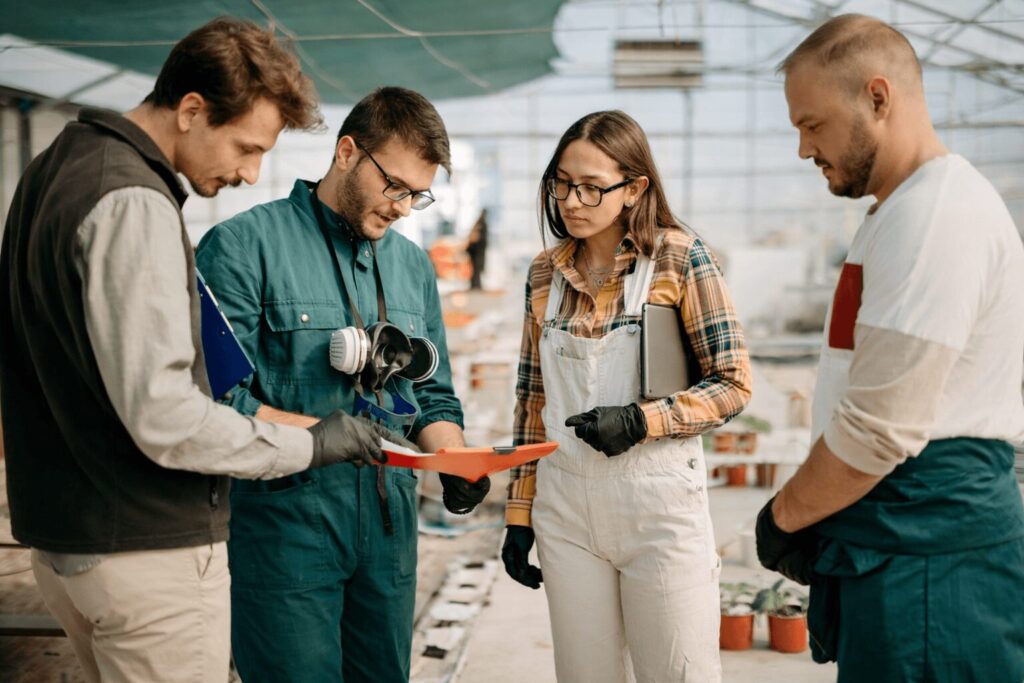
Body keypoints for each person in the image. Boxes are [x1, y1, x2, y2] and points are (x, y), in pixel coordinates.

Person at [0, 17, 389, 683]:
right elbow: (167, 416)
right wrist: (310, 444)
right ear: (190, 109)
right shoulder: (132, 199)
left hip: (70, 541)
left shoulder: (53, 169)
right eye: (246, 146)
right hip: (147, 559)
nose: (249, 171)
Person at [756, 14, 1024, 682]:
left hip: (931, 559)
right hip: (902, 547)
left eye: (810, 124)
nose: (802, 149)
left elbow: (880, 427)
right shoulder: (899, 212)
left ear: (878, 98)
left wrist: (784, 515)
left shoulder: (936, 218)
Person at [195, 86, 490, 683]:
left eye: (418, 194)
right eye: (396, 186)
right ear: (348, 152)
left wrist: (456, 460)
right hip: (285, 526)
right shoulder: (242, 247)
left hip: (388, 528)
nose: (405, 207)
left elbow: (431, 392)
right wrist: (318, 435)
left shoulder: (411, 266)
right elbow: (216, 399)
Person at [501, 110, 752, 682]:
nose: (571, 200)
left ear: (634, 188)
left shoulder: (680, 259)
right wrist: (520, 513)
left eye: (591, 187)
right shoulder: (545, 274)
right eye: (561, 183)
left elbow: (733, 384)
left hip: (658, 511)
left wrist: (643, 421)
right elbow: (532, 399)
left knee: (678, 673)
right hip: (565, 512)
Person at [466, 208, 488, 289]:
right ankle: (475, 285)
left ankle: (475, 284)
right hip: (477, 250)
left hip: (476, 250)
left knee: (476, 269)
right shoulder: (481, 224)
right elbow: (476, 237)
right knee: (476, 268)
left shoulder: (478, 223)